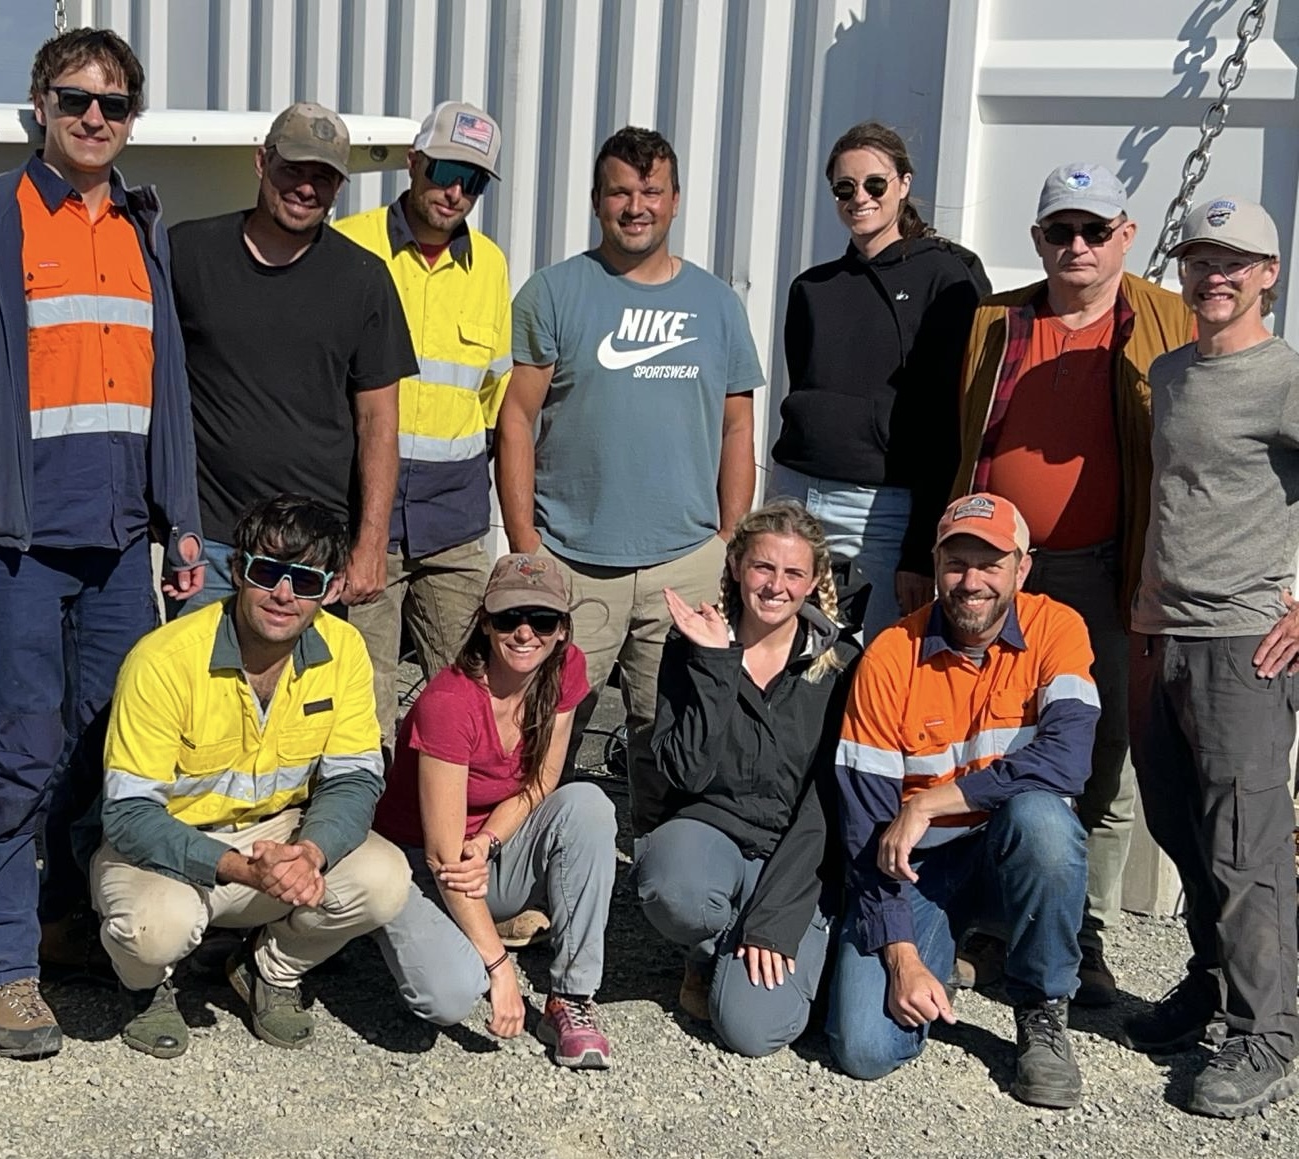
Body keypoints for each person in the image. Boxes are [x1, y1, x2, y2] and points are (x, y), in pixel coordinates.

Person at [0, 27, 205, 1058]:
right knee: (16, 755)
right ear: (40, 103)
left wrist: (181, 522)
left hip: (122, 547)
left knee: (104, 747)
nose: (93, 119)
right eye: (75, 99)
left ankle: (65, 921)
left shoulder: (141, 222)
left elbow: (166, 391)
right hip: (17, 548)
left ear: (130, 121)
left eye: (112, 105)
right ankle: (2, 967)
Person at [952, 162, 1192, 1006]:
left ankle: (1080, 934)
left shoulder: (1169, 318)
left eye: (1096, 230)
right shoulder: (997, 321)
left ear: (1127, 234)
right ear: (1038, 240)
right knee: (991, 738)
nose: (1079, 246)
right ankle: (992, 913)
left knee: (1100, 758)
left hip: (1107, 571)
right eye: (1063, 231)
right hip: (1002, 572)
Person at [499, 126, 764, 835]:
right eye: (621, 191)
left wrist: (730, 535)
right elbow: (517, 420)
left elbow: (739, 425)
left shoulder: (717, 304)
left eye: (651, 191)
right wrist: (528, 545)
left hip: (685, 560)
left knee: (669, 735)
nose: (636, 205)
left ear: (675, 200)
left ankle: (661, 879)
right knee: (544, 730)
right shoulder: (554, 291)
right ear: (596, 201)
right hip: (572, 561)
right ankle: (528, 878)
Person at [92, 494, 410, 1058]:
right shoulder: (163, 659)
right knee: (155, 927)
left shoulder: (346, 651)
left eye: (306, 581)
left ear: (333, 590)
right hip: (167, 849)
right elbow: (128, 813)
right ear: (236, 571)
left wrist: (310, 854)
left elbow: (355, 779)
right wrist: (243, 869)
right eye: (267, 573)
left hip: (281, 840)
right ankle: (145, 987)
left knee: (385, 878)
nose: (284, 595)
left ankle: (269, 968)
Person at [828, 493, 1098, 1110]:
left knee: (1044, 824)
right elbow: (865, 819)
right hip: (921, 868)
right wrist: (900, 957)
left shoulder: (1059, 629)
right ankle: (939, 941)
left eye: (991, 563)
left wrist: (930, 802)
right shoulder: (891, 651)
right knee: (866, 1049)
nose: (971, 582)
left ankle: (1042, 1010)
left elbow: (1068, 760)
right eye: (956, 563)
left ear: (1022, 569)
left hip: (1012, 851)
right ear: (935, 564)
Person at [1123, 197, 1299, 1119]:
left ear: (1269, 273)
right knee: (1181, 825)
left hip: (1242, 644)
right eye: (1199, 258)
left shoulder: (1283, 379)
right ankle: (1211, 983)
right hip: (1163, 636)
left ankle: (1266, 1031)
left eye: (1235, 260)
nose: (1213, 274)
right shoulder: (1172, 368)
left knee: (1247, 845)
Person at [168, 102, 417, 615]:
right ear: (262, 162)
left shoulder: (364, 279)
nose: (306, 188)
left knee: (306, 696)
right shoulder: (187, 254)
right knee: (200, 693)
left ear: (339, 187)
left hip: (315, 551)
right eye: (293, 169)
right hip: (212, 545)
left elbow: (378, 422)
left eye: (323, 177)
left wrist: (371, 544)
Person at [370, 554, 618, 1069]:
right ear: (484, 621)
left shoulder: (566, 668)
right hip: (420, 862)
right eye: (508, 618)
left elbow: (543, 781)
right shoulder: (450, 702)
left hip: (483, 853)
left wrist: (490, 842)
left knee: (588, 804)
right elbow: (443, 858)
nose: (525, 633)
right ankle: (401, 930)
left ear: (561, 630)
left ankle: (570, 997)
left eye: (542, 620)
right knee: (450, 995)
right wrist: (501, 970)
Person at [637, 500, 860, 1057]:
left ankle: (794, 947)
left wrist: (774, 922)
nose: (776, 586)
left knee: (749, 1030)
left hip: (798, 855)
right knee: (671, 886)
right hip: (714, 832)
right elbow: (684, 772)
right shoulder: (691, 644)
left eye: (793, 573)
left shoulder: (841, 666)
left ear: (813, 583)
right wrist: (715, 666)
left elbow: (824, 808)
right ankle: (712, 948)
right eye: (763, 567)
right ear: (737, 565)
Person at [333, 101, 511, 749]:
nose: (457, 191)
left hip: (454, 525)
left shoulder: (490, 264)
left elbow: (493, 398)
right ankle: (369, 840)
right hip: (365, 521)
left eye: (476, 180)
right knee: (362, 699)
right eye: (444, 170)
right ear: (412, 163)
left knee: (467, 697)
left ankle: (454, 838)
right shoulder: (349, 245)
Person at [770, 121, 989, 640]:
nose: (859, 199)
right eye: (845, 189)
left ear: (904, 184)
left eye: (875, 184)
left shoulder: (948, 275)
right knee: (788, 652)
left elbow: (948, 417)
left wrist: (919, 547)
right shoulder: (812, 288)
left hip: (882, 511)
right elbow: (805, 383)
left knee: (876, 661)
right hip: (797, 492)